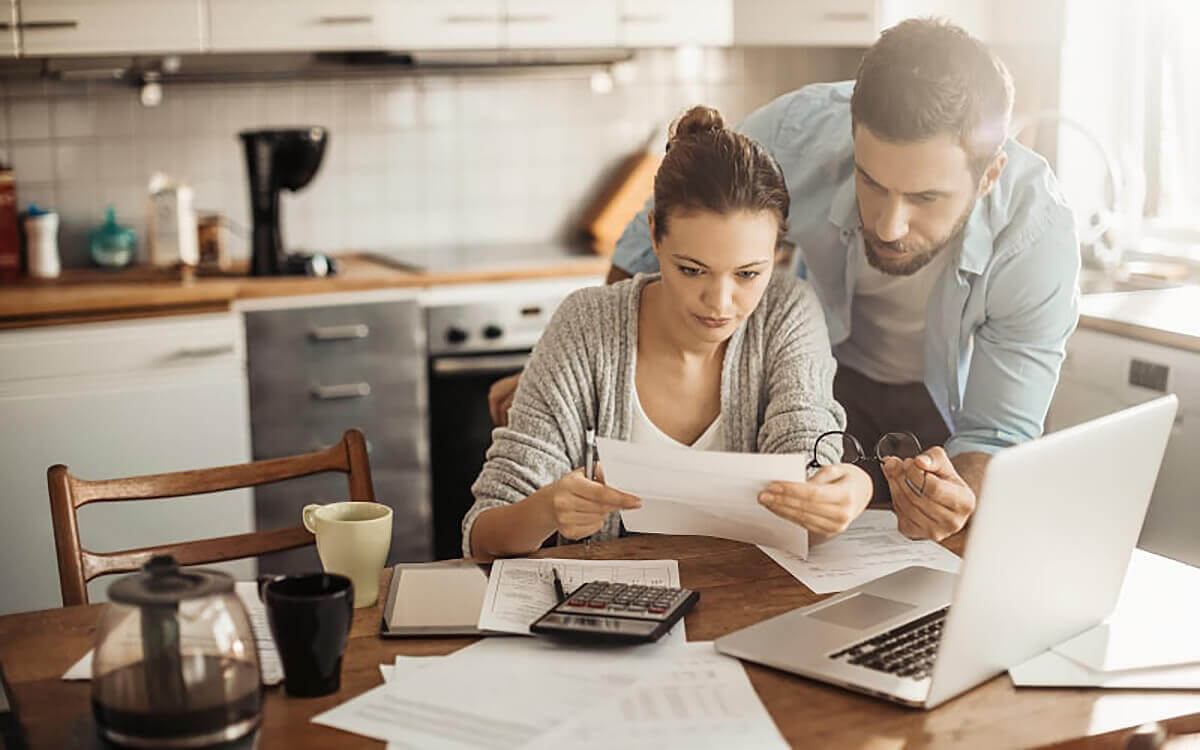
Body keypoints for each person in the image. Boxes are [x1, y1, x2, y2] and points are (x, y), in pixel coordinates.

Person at [489, 19, 1080, 543]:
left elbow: (997, 431)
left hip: (940, 412)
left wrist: (961, 497)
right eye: (872, 182)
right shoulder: (797, 133)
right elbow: (656, 238)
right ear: (852, 136)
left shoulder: (1037, 239)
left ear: (989, 174)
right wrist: (578, 363)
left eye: (925, 197)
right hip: (818, 372)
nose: (889, 223)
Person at [464, 106, 873, 560]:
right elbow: (483, 535)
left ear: (777, 251)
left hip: (747, 606)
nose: (719, 303)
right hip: (607, 615)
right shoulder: (586, 324)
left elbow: (806, 482)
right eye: (692, 269)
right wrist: (546, 511)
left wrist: (845, 492)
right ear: (655, 236)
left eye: (747, 274)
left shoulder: (786, 314)